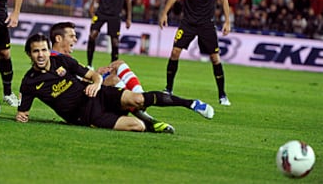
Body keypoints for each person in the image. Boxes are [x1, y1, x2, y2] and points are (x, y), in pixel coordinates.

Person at [16, 33, 215, 133]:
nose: (41, 55)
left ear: (49, 50)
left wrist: (95, 84)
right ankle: (149, 123)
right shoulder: (29, 82)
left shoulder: (63, 61)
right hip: (86, 116)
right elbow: (23, 112)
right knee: (137, 126)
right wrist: (20, 116)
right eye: (36, 51)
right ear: (29, 54)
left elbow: (92, 75)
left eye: (43, 50)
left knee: (137, 98)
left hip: (98, 95)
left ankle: (190, 103)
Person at [49, 22, 174, 133]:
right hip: (87, 103)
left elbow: (77, 80)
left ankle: (140, 99)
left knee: (118, 64)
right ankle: (147, 115)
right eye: (72, 36)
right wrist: (96, 79)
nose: (75, 40)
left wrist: (97, 73)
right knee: (114, 80)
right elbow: (73, 88)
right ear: (58, 39)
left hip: (88, 93)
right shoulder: (55, 61)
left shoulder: (65, 58)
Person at [159, 0, 232, 106]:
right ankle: (168, 89)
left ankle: (222, 95)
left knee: (215, 58)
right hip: (188, 22)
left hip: (207, 23)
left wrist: (227, 21)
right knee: (175, 52)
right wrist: (164, 13)